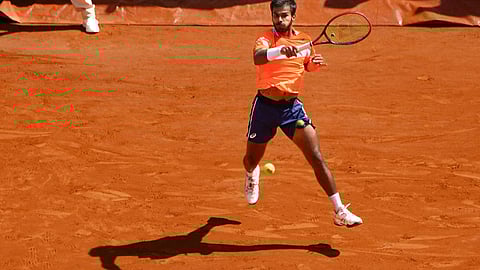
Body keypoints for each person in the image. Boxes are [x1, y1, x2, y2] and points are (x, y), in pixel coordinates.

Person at [243, 0, 363, 227]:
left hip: (291, 109)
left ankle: (339, 210)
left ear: (293, 17)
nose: (280, 20)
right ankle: (251, 174)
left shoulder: (305, 41)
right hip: (265, 107)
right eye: (276, 15)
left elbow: (307, 65)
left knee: (316, 156)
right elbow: (258, 57)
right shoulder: (265, 40)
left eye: (284, 16)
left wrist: (315, 64)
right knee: (251, 159)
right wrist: (279, 50)